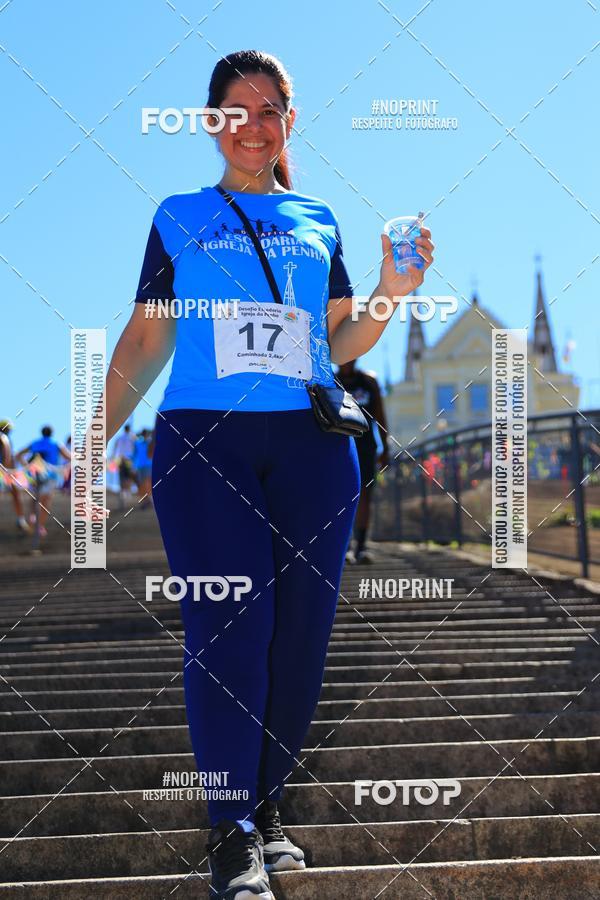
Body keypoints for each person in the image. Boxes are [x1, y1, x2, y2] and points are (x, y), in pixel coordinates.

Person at [103, 49, 433, 900]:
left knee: (300, 643)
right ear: (212, 122)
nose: (254, 126)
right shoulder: (179, 215)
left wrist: (394, 290)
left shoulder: (317, 216)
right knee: (229, 632)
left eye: (271, 111)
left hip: (312, 448)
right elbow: (146, 339)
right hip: (205, 441)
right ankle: (228, 828)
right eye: (237, 111)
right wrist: (92, 440)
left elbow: (340, 341)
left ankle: (267, 806)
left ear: (291, 120)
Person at [336, 360, 390, 564]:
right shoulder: (331, 381)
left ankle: (361, 545)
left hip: (366, 448)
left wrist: (386, 446)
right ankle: (345, 546)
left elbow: (380, 416)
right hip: (338, 448)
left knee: (365, 495)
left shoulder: (369, 382)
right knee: (341, 496)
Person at [15, 425, 71, 538]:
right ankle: (39, 525)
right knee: (46, 500)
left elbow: (18, 455)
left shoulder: (35, 443)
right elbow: (69, 457)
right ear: (51, 433)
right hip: (50, 475)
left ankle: (32, 517)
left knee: (35, 498)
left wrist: (26, 465)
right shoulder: (56, 443)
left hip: (34, 474)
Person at [0, 419, 30, 534]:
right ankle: (20, 519)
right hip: (4, 470)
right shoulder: (3, 437)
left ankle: (21, 520)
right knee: (16, 494)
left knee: (15, 493)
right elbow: (7, 454)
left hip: (5, 470)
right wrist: (7, 469)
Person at [112, 423, 136, 508]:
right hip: (128, 460)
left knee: (121, 479)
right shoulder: (132, 438)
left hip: (120, 460)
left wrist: (114, 459)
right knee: (128, 479)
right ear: (129, 429)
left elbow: (115, 449)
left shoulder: (119, 438)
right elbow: (134, 449)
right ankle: (126, 496)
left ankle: (122, 497)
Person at [133, 428, 152, 509]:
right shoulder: (138, 443)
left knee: (146, 483)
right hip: (142, 466)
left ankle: (147, 501)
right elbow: (134, 455)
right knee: (142, 484)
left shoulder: (149, 443)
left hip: (146, 466)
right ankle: (146, 501)